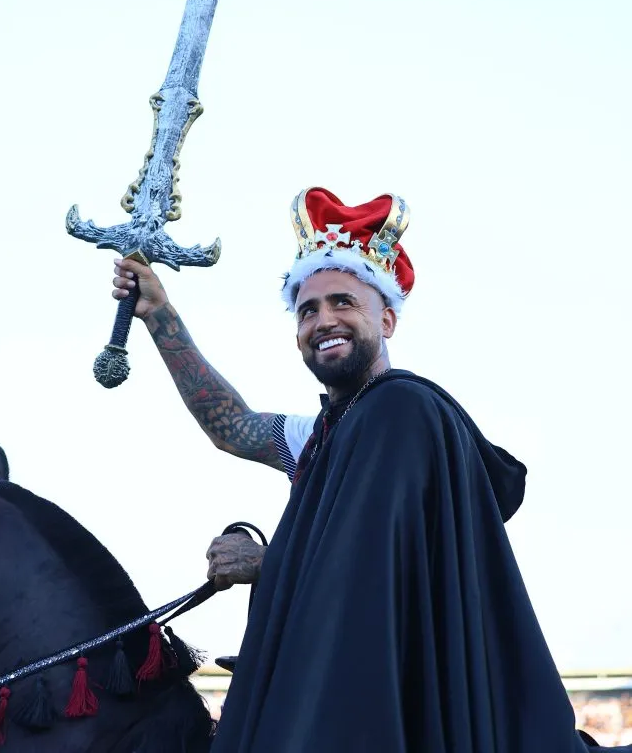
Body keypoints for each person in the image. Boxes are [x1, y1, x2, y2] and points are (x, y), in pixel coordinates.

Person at [115, 187, 607, 751]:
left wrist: (269, 563)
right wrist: (160, 314)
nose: (323, 319)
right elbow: (230, 425)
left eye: (343, 302)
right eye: (307, 309)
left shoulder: (403, 414)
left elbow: (377, 570)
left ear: (388, 319)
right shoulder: (325, 435)